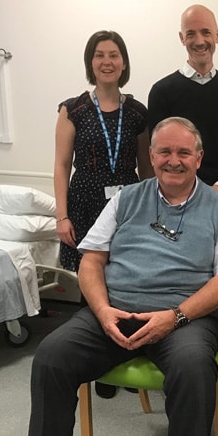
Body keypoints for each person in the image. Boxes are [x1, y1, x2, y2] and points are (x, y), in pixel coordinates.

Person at [0, 117, 218, 436]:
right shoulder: (126, 199)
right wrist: (102, 310)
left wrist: (175, 316)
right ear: (150, 156)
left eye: (183, 153)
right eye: (164, 152)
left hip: (183, 318)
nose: (173, 160)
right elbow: (91, 261)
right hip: (114, 312)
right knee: (52, 356)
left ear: (199, 158)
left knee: (193, 369)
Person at [54, 30, 149, 400]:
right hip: (85, 202)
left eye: (113, 55)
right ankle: (99, 366)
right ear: (90, 62)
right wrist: (62, 216)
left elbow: (147, 168)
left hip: (128, 202)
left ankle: (130, 352)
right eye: (99, 55)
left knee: (127, 279)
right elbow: (62, 166)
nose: (107, 61)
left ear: (124, 63)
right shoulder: (73, 109)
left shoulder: (138, 112)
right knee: (92, 281)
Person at [147, 5, 218, 199]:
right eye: (191, 34)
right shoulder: (161, 92)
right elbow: (159, 152)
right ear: (182, 38)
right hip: (175, 197)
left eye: (206, 32)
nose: (199, 41)